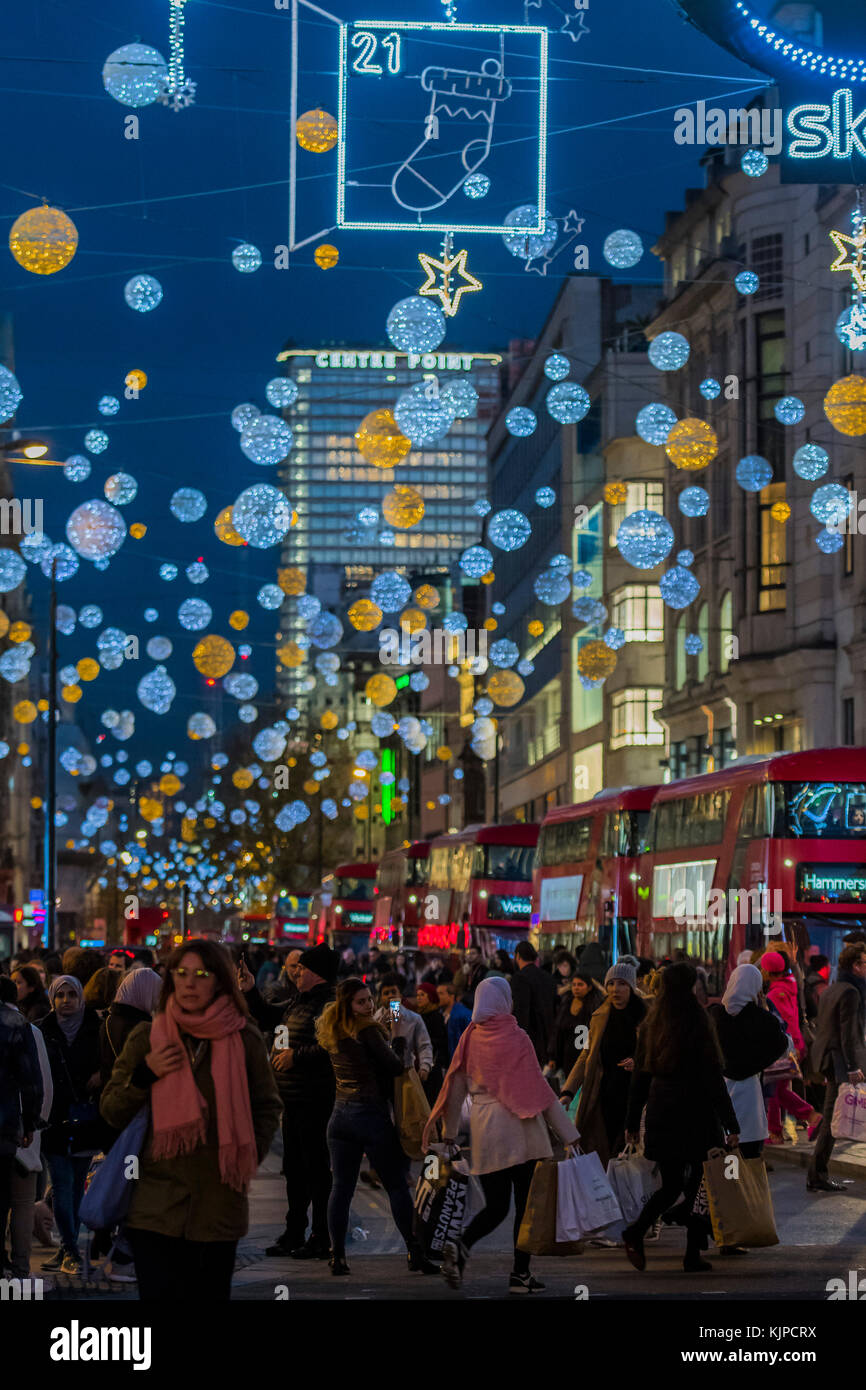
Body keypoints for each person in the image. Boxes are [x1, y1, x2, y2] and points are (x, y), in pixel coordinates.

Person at [99, 939, 281, 1301]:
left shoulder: (244, 1038)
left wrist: (245, 1158)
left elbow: (266, 1106)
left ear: (219, 980)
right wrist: (144, 1076)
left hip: (219, 1209)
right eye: (181, 973)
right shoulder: (148, 1037)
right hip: (155, 1210)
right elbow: (112, 1109)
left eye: (201, 974)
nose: (190, 983)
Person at [423, 977, 580, 1295]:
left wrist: (450, 1133)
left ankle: (462, 1244)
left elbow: (455, 1088)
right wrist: (568, 1134)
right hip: (522, 1132)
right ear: (505, 1001)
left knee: (496, 1206)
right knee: (524, 1207)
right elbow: (539, 1088)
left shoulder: (470, 1037)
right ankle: (520, 1274)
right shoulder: (518, 1037)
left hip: (486, 1131)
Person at [621, 962, 740, 1274]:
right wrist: (731, 1123)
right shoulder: (698, 1020)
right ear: (691, 986)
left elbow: (639, 1080)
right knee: (701, 1186)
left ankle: (637, 1230)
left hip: (662, 1107)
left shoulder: (651, 1023)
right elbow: (713, 1078)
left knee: (672, 1183)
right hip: (696, 1111)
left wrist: (632, 1122)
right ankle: (691, 1253)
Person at [316, 977, 438, 1276]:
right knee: (396, 1184)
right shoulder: (367, 1029)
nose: (369, 1005)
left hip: (340, 1116)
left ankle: (338, 1256)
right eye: (362, 1001)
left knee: (341, 1188)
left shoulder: (332, 1029)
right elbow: (395, 1065)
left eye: (370, 999)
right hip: (370, 1116)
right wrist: (396, 1038)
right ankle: (415, 1252)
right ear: (349, 1005)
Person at [238, 942, 338, 1259]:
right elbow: (269, 1018)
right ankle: (294, 1232)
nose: (296, 972)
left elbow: (335, 1046)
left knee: (316, 1170)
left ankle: (321, 1235)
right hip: (292, 1100)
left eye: (302, 968)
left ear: (317, 974)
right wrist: (251, 989)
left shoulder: (330, 1004)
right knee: (294, 1170)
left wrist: (298, 1056)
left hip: (315, 1099)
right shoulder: (299, 1001)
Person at [708, 964, 787, 1253]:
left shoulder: (715, 1015)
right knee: (748, 1160)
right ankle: (744, 1225)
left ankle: (722, 1229)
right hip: (749, 1094)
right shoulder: (760, 1018)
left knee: (724, 1165)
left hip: (720, 1093)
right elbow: (781, 1044)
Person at [38, 975, 104, 1274]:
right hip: (53, 1118)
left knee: (76, 1184)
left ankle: (69, 1248)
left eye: (72, 995)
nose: (66, 1001)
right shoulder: (42, 1030)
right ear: (52, 998)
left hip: (85, 1118)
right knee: (62, 1184)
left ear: (81, 998)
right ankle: (69, 1249)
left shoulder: (96, 1028)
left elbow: (111, 1061)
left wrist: (101, 1073)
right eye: (60, 995)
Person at [559, 961, 647, 1166]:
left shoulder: (645, 1015)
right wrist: (568, 1092)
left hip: (636, 1094)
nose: (616, 989)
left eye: (622, 984)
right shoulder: (599, 1017)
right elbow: (586, 1056)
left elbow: (656, 1052)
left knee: (633, 1155)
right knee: (604, 1151)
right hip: (603, 1093)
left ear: (631, 987)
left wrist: (639, 1061)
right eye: (611, 984)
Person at [807, 940, 866, 1192]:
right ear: (856, 966)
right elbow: (848, 1032)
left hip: (828, 1059)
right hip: (841, 1061)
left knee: (832, 1115)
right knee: (832, 1117)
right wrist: (854, 1066)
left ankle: (817, 1173)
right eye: (865, 963)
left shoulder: (832, 988)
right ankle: (817, 1174)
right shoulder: (851, 992)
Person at [0, 974, 44, 1280]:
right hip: (5, 1124)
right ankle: (14, 1269)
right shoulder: (18, 1025)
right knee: (11, 1199)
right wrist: (30, 1123)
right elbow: (31, 1081)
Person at [760, 950, 822, 1144]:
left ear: (767, 971)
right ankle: (779, 1130)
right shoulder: (789, 985)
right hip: (794, 1046)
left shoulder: (775, 993)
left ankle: (807, 1118)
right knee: (778, 1088)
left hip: (785, 1048)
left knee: (774, 1089)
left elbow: (784, 1023)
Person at [99, 968, 163, 1084]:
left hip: (111, 1091)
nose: (158, 1000)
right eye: (155, 993)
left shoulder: (108, 1020)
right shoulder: (141, 1028)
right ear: (146, 993)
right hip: (131, 1094)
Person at [546, 969, 605, 1085]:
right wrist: (553, 1057)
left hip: (585, 1056)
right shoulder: (566, 1003)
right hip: (566, 1056)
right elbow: (557, 1031)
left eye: (580, 985)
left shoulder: (595, 1006)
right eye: (574, 985)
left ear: (589, 987)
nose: (576, 988)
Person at [375, 974, 433, 1081]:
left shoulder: (414, 1018)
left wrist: (425, 1066)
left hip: (406, 1070)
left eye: (393, 992)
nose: (390, 996)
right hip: (382, 1072)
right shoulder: (375, 1019)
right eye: (386, 993)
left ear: (400, 996)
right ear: (380, 998)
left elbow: (424, 1045)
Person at [511, 940, 559, 1064]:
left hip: (531, 1036)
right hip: (548, 1034)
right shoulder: (548, 977)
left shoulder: (519, 978)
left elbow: (522, 1011)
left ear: (518, 956)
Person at [414, 982, 449, 1100]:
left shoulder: (436, 1017)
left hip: (432, 1066)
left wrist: (422, 1042)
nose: (418, 998)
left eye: (422, 995)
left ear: (431, 997)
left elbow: (441, 1041)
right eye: (417, 995)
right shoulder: (418, 1015)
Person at [438, 981, 471, 1058]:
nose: (437, 996)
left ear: (451, 996)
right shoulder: (440, 1013)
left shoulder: (463, 1014)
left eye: (441, 993)